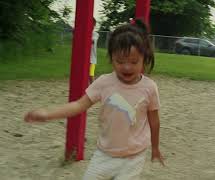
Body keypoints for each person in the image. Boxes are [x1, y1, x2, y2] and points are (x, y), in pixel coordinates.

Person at [24, 19, 164, 180]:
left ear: (144, 59)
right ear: (111, 58)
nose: (126, 67)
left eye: (133, 62)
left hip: (134, 157)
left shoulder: (149, 87)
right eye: (120, 61)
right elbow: (79, 105)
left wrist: (155, 147)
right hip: (105, 154)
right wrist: (48, 113)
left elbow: (154, 121)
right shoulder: (104, 82)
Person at [89, 18, 99, 84]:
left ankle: (93, 87)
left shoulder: (95, 34)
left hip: (92, 58)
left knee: (91, 74)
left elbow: (92, 41)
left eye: (92, 24)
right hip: (85, 58)